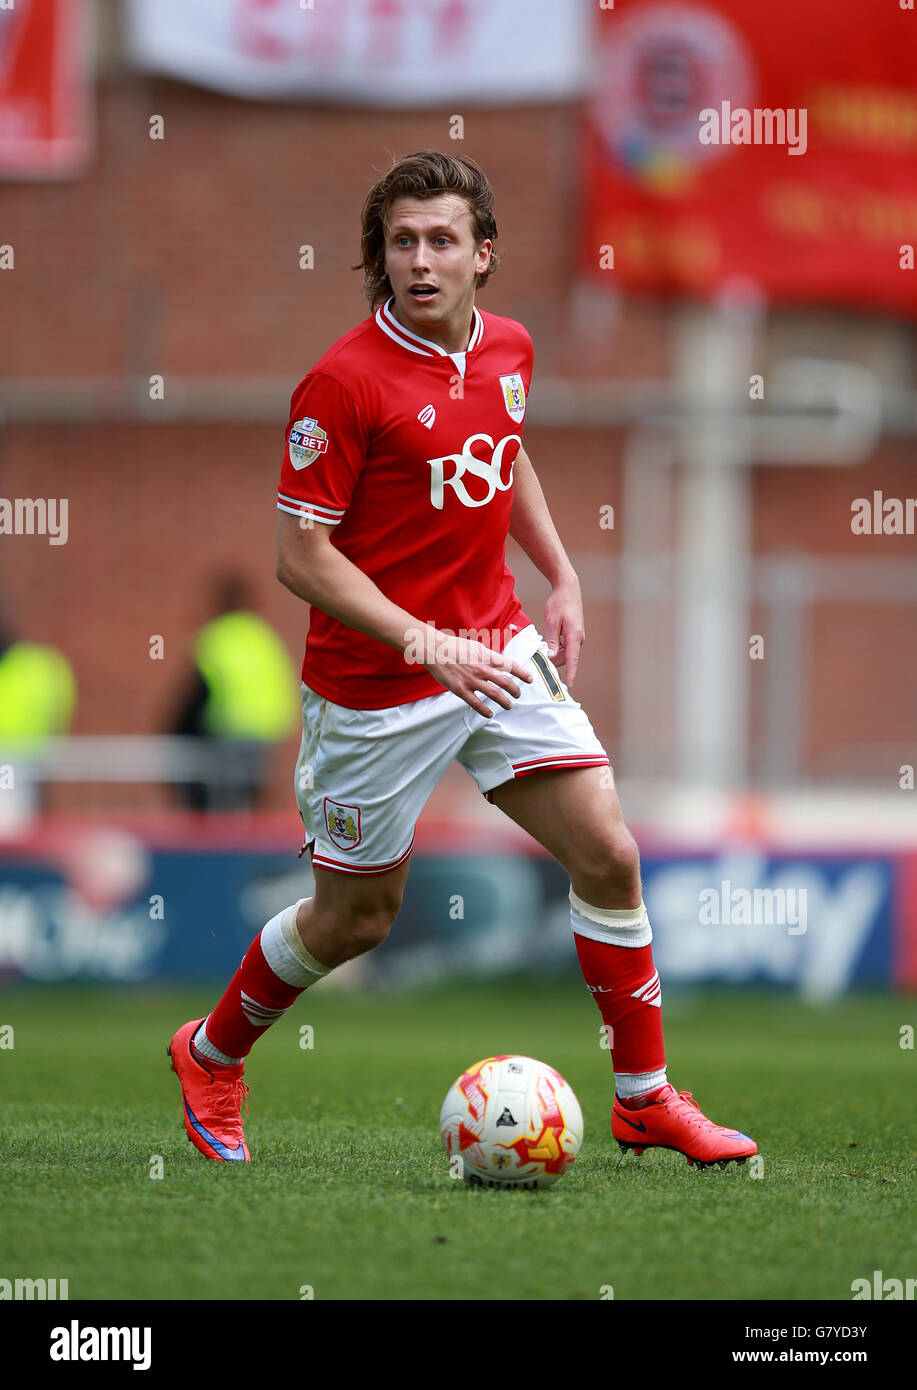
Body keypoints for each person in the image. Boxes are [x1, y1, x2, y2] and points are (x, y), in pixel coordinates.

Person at [168, 151, 756, 1169]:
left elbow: (506, 447)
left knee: (608, 852)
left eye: (442, 240)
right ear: (379, 258)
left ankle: (643, 1097)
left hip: (493, 648)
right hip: (374, 692)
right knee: (356, 919)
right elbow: (299, 557)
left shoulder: (511, 349)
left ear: (483, 254)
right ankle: (212, 1051)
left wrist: (559, 573)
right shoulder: (342, 383)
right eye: (402, 242)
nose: (421, 260)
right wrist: (420, 641)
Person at [168, 573, 299, 811]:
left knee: (226, 803)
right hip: (267, 732)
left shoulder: (216, 636)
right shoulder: (263, 636)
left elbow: (196, 692)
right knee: (253, 799)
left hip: (230, 731)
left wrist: (176, 730)